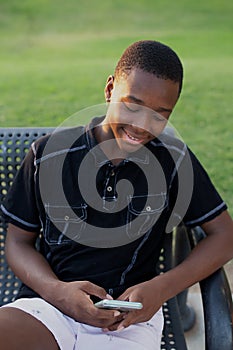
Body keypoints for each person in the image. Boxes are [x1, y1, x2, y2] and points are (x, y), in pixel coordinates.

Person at [0, 40, 233, 350]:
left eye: (159, 115)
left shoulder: (173, 160)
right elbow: (17, 242)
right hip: (49, 307)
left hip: (127, 320)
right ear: (110, 89)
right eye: (132, 106)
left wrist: (161, 288)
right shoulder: (47, 155)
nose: (141, 125)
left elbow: (224, 236)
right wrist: (58, 292)